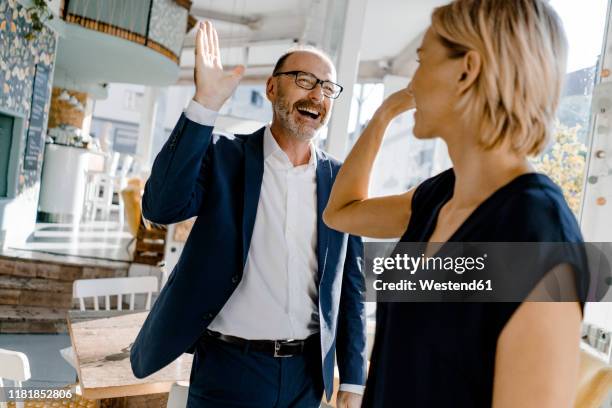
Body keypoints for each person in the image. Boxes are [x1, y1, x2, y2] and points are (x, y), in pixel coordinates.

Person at [323, 0, 587, 407]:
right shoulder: (439, 197)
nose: (413, 81)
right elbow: (341, 212)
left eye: (422, 59)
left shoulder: (533, 232)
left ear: (467, 70)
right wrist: (383, 114)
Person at [129, 21, 367, 408]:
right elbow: (161, 207)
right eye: (304, 80)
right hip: (228, 370)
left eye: (327, 87)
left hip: (305, 377)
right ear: (272, 88)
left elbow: (350, 285)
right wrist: (205, 104)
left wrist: (354, 381)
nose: (317, 95)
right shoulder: (225, 157)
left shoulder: (341, 180)